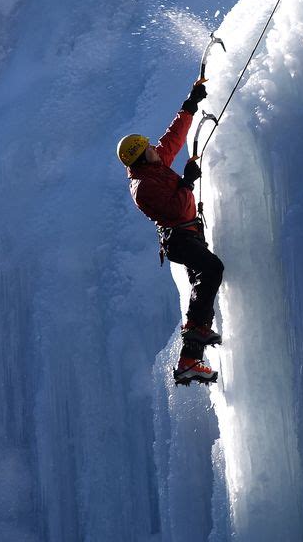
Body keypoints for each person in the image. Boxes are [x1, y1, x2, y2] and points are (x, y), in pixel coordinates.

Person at [117, 80, 224, 386]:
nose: (154, 147)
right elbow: (174, 210)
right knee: (212, 270)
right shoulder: (143, 187)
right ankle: (195, 333)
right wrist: (187, 182)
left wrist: (190, 103)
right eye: (148, 147)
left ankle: (190, 359)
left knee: (201, 289)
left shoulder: (153, 166)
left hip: (188, 236)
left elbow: (173, 139)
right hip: (179, 239)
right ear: (141, 156)